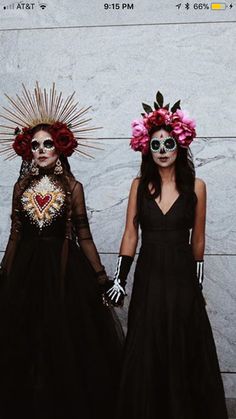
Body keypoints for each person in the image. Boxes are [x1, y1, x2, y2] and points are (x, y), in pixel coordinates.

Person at [0, 82, 123, 419]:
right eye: (36, 145)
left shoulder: (72, 187)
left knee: (66, 339)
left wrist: (100, 276)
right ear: (28, 150)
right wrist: (4, 273)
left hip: (64, 270)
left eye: (48, 144)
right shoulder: (20, 186)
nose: (41, 150)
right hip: (26, 268)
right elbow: (15, 234)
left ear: (60, 148)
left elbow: (83, 235)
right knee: (26, 338)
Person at [107, 91, 228, 419]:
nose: (162, 150)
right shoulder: (138, 185)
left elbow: (198, 242)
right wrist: (120, 278)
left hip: (181, 277)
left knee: (182, 341)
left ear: (180, 145)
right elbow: (131, 233)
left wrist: (197, 287)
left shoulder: (197, 187)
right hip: (148, 274)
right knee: (147, 341)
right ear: (146, 146)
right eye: (156, 144)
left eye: (169, 143)